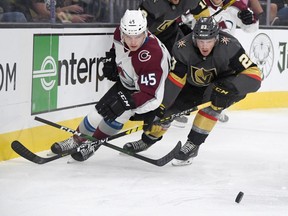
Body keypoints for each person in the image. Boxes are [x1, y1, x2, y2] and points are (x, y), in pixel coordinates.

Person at [124, 16, 262, 166]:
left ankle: (193, 145)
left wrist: (233, 88)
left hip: (227, 84)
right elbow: (175, 80)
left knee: (213, 104)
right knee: (166, 112)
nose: (204, 46)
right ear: (193, 38)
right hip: (194, 84)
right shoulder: (182, 47)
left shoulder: (230, 46)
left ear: (217, 37)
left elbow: (254, 74)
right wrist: (161, 108)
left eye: (209, 41)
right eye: (201, 41)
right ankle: (147, 140)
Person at [50, 9, 171, 161]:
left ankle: (93, 144)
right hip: (126, 81)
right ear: (122, 31)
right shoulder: (118, 33)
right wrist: (111, 58)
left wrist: (127, 103)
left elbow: (151, 96)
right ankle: (76, 140)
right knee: (96, 115)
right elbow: (116, 48)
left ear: (145, 32)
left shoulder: (153, 55)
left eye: (138, 36)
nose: (133, 42)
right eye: (128, 36)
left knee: (114, 117)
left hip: (143, 92)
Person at [139, 0, 210, 127]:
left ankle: (173, 106)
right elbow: (133, 32)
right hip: (148, 39)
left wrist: (203, 31)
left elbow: (204, 17)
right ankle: (148, 109)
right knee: (154, 73)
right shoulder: (152, 5)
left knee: (185, 66)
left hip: (171, 34)